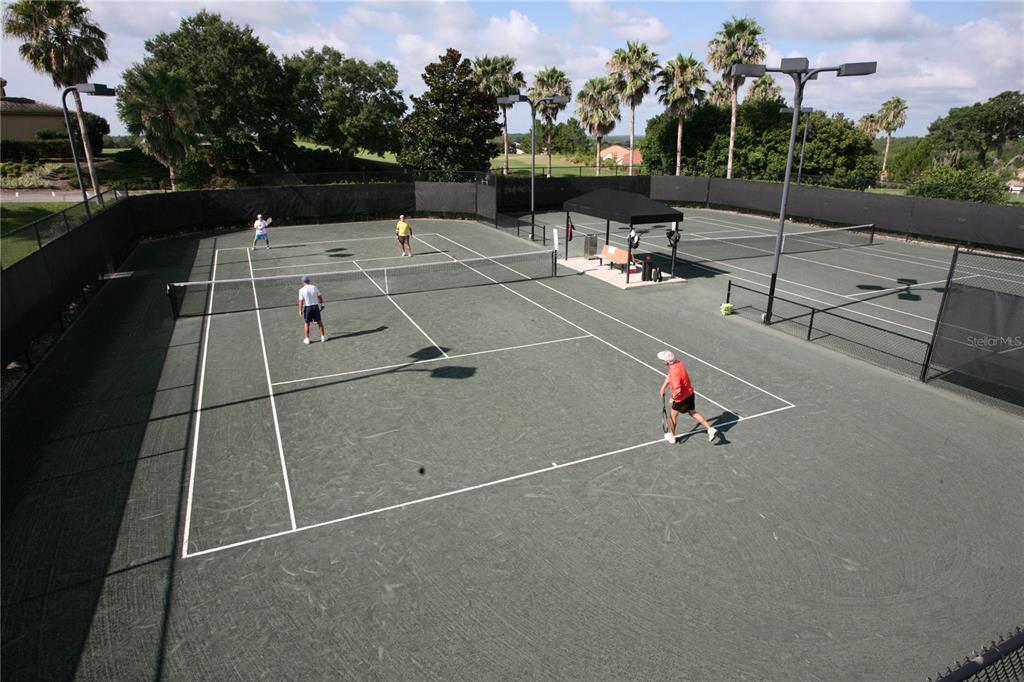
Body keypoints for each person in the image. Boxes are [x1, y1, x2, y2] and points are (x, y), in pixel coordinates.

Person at [658, 350, 719, 444]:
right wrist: (663, 387)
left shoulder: (674, 372)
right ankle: (710, 429)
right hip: (689, 394)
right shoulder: (678, 363)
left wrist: (673, 398)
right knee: (692, 412)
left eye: (663, 360)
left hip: (680, 398)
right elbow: (670, 375)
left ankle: (672, 437)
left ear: (667, 361)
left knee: (673, 415)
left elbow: (678, 390)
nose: (662, 361)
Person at [298, 275, 326, 344]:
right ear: (309, 281)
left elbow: (301, 301)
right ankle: (323, 337)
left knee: (307, 323)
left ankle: (307, 339)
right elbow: (319, 296)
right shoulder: (314, 287)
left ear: (303, 282)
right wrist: (322, 304)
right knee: (319, 322)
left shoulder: (301, 290)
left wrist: (300, 310)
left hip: (307, 308)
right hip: (315, 307)